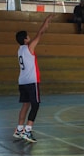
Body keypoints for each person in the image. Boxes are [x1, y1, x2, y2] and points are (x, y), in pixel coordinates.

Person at [13, 14, 54, 143]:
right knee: (35, 105)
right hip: (31, 81)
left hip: (22, 81)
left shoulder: (19, 50)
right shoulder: (29, 47)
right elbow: (40, 34)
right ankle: (28, 130)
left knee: (26, 105)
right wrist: (46, 22)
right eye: (28, 36)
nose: (30, 37)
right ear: (25, 39)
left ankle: (19, 129)